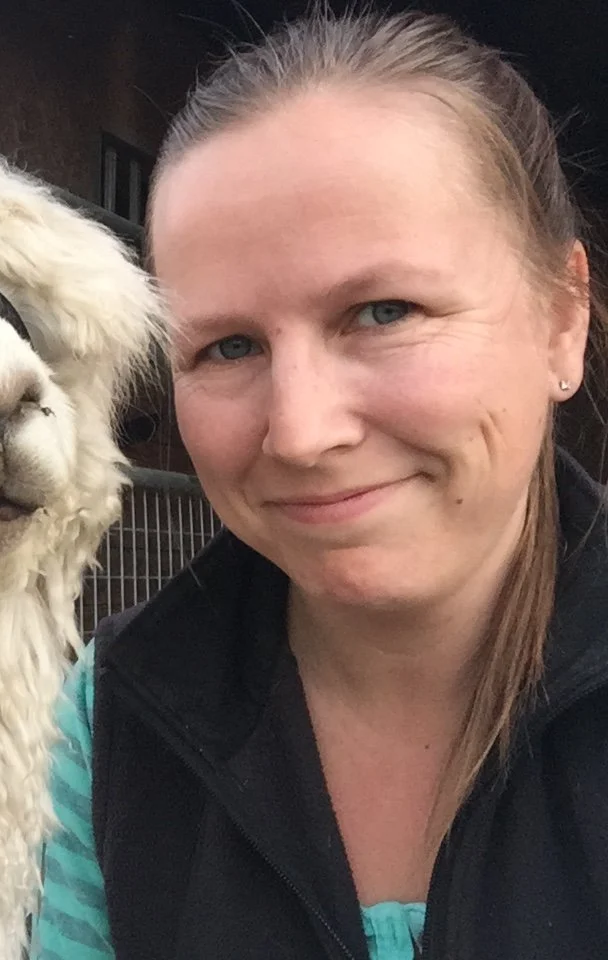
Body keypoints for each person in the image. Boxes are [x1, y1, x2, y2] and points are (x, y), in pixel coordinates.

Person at [33, 9, 608, 960]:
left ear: (561, 319)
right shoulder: (114, 718)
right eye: (227, 346)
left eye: (384, 311)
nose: (300, 433)